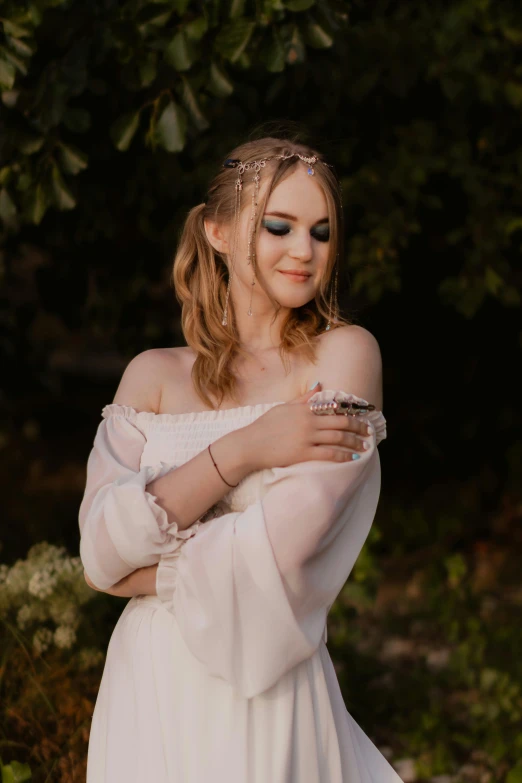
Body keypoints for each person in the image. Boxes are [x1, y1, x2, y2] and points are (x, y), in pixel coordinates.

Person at [78, 136, 404, 782]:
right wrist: (247, 448)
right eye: (278, 226)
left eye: (321, 231)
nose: (304, 250)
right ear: (218, 230)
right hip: (151, 687)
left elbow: (287, 547)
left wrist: (149, 565)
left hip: (270, 685)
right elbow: (99, 553)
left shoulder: (345, 357)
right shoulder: (152, 375)